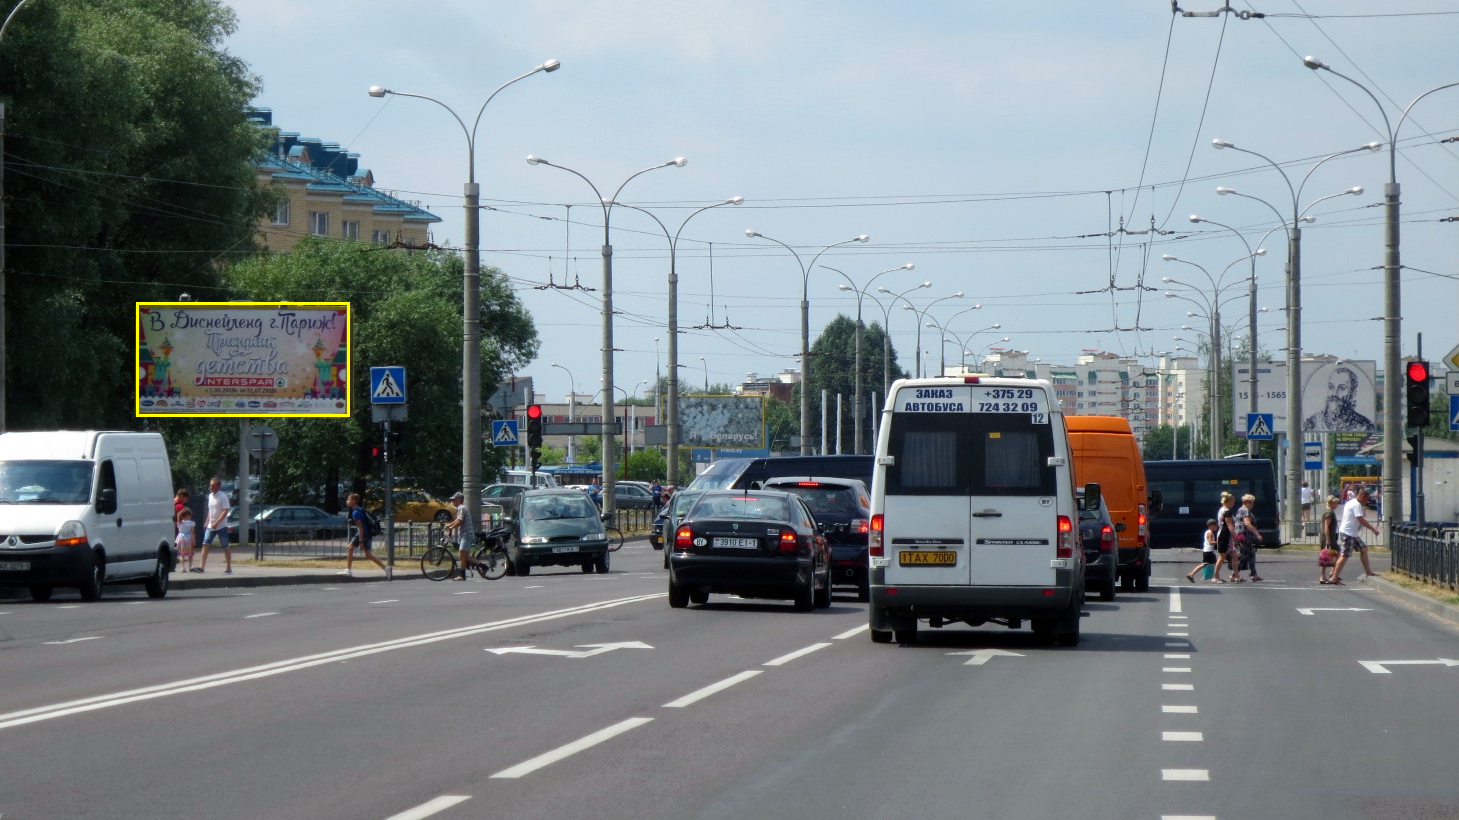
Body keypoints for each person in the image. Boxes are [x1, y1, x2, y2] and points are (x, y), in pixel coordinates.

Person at [1330, 487, 1381, 585]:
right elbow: (1361, 519)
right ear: (1362, 496)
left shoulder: (1351, 502)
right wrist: (1373, 530)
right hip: (1348, 534)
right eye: (1366, 500)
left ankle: (1368, 572)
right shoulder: (1356, 504)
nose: (1366, 502)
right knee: (1345, 555)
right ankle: (1334, 577)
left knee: (1363, 549)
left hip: (1352, 533)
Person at [1302, 365, 1375, 432]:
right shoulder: (1313, 422)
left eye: (1341, 388)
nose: (1334, 393)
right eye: (1331, 387)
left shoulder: (1364, 426)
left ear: (1352, 394)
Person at [341, 492, 388, 578]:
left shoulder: (355, 513)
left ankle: (348, 570)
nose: (347, 501)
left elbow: (361, 528)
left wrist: (361, 541)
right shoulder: (359, 509)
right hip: (368, 533)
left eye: (349, 500)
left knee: (350, 548)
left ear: (354, 501)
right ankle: (386, 568)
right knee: (368, 555)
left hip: (362, 534)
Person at [195, 477, 232, 575]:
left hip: (221, 526)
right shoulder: (210, 496)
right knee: (205, 543)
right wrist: (207, 522)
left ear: (218, 486)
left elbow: (225, 511)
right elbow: (210, 511)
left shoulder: (223, 497)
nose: (210, 487)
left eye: (213, 485)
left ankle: (228, 568)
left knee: (225, 546)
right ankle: (201, 567)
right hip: (211, 526)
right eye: (210, 485)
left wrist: (217, 523)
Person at [442, 491, 477, 581]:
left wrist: (451, 528)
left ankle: (462, 575)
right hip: (464, 535)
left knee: (461, 553)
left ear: (459, 500)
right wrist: (449, 526)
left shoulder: (462, 508)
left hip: (467, 535)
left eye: (453, 500)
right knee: (465, 557)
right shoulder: (460, 509)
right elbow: (457, 520)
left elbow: (460, 521)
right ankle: (483, 566)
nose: (452, 502)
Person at [1234, 493, 1265, 582]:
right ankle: (1234, 575)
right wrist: (1257, 534)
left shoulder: (1240, 510)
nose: (1253, 505)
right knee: (1243, 555)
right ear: (1247, 502)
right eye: (1251, 502)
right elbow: (1247, 523)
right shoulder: (1245, 511)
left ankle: (1253, 574)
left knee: (1251, 554)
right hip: (1245, 535)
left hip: (1242, 534)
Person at [1211, 493, 1237, 583]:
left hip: (1227, 536)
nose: (1234, 503)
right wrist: (1235, 535)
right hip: (1224, 535)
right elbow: (1229, 524)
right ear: (1229, 501)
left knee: (1234, 555)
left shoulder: (1222, 510)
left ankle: (1236, 576)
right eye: (1233, 501)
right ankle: (1215, 576)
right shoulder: (1226, 511)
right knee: (1222, 556)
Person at [1318, 494, 1341, 584]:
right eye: (1335, 503)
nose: (1337, 504)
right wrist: (1328, 540)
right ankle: (1326, 575)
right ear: (1330, 503)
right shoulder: (1329, 513)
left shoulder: (1330, 512)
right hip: (1328, 538)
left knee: (1331, 556)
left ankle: (1330, 574)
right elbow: (1326, 526)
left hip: (1330, 538)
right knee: (1329, 556)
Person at [175, 508, 196, 573]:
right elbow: (192, 533)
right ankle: (190, 566)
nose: (190, 517)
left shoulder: (179, 523)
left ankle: (183, 567)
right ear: (187, 516)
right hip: (188, 538)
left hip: (181, 538)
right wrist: (194, 541)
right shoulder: (191, 523)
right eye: (189, 515)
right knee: (190, 554)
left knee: (182, 554)